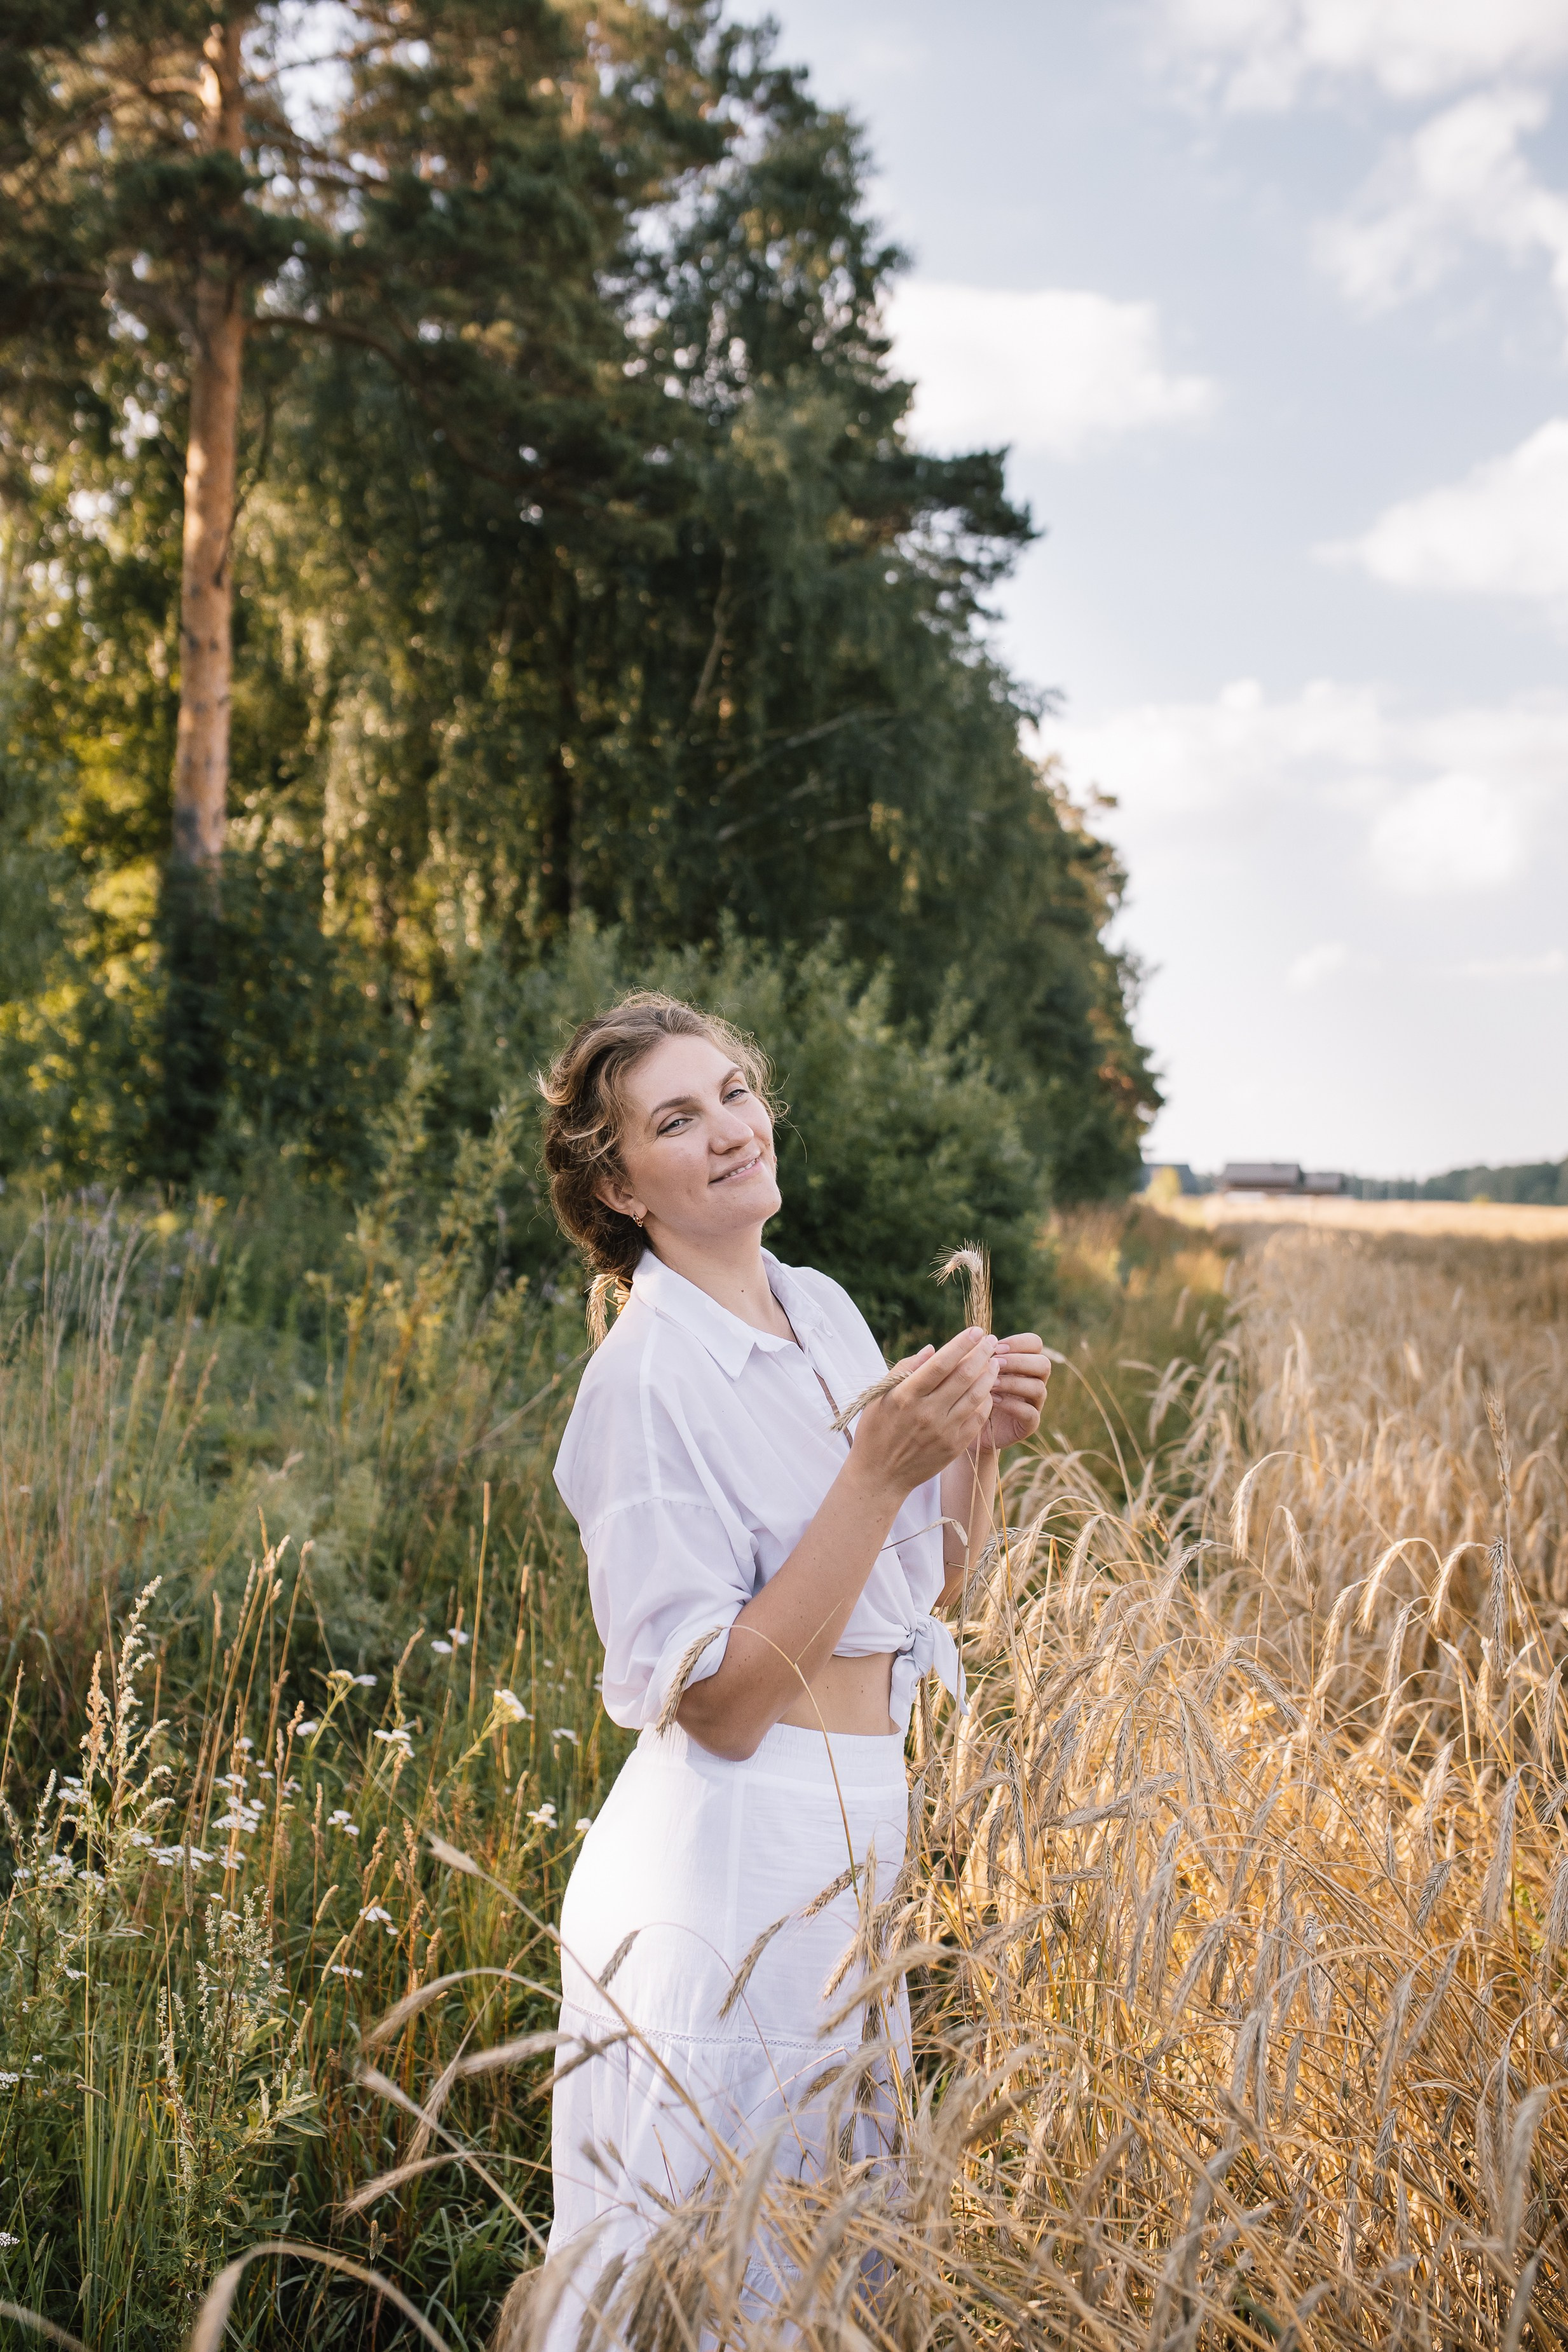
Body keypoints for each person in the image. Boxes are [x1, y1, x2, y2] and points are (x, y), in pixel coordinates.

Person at [532, 992, 1050, 2342]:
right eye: (675, 1118)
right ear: (615, 1183)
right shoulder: (642, 1379)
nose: (729, 1129)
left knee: (829, 2245)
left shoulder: (815, 1306)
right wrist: (880, 1472)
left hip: (858, 1829)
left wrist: (968, 1449)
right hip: (728, 1855)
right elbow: (720, 1699)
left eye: (737, 1092)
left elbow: (923, 1590)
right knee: (712, 2259)